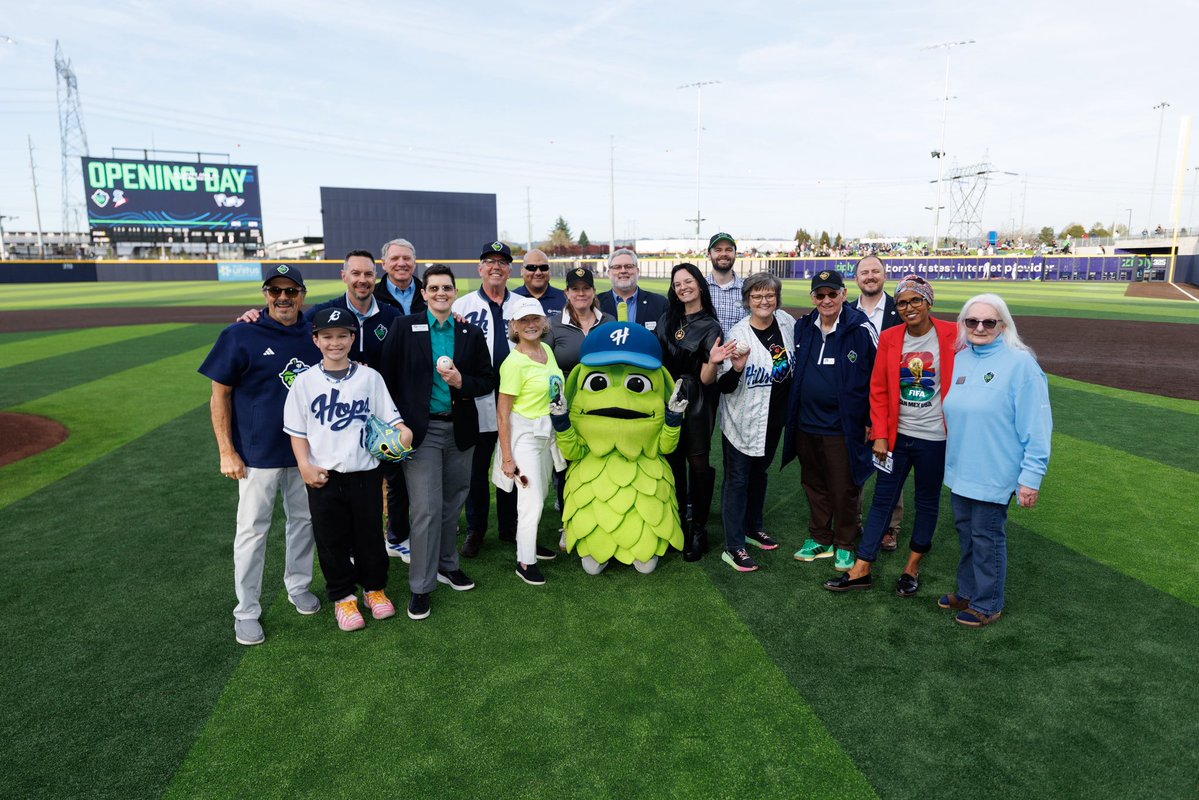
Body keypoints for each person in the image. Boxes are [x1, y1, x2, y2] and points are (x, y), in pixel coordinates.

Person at [198, 264, 321, 646]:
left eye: (291, 291)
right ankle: (246, 610)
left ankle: (298, 585)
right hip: (256, 455)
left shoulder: (315, 332)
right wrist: (226, 451)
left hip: (306, 452)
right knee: (252, 532)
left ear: (302, 294)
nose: (283, 298)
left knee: (303, 523)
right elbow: (220, 395)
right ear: (265, 294)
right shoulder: (241, 333)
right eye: (275, 291)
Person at [825, 275, 957, 595]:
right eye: (902, 302)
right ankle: (862, 567)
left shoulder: (954, 334)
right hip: (897, 437)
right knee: (883, 499)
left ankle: (912, 567)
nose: (909, 307)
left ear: (929, 301)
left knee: (926, 501)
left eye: (915, 300)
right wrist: (881, 434)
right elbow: (879, 389)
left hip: (936, 439)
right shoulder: (890, 337)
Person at [378, 264, 496, 621]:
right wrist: (398, 423)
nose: (440, 293)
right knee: (427, 508)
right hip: (421, 432)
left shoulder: (469, 332)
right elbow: (386, 377)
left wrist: (462, 381)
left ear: (455, 291)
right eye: (434, 288)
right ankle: (421, 586)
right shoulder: (405, 326)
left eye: (446, 287)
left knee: (452, 502)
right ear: (424, 293)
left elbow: (487, 380)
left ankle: (447, 565)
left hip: (460, 429)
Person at [284, 306, 412, 631]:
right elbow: (297, 432)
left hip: (366, 472)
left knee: (369, 535)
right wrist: (304, 466)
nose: (335, 343)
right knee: (331, 538)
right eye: (327, 336)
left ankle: (374, 590)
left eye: (342, 336)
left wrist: (404, 436)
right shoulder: (305, 382)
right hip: (324, 475)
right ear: (316, 340)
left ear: (353, 338)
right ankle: (343, 597)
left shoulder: (370, 378)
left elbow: (394, 421)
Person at [939, 293, 1052, 627]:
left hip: (995, 471)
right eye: (972, 321)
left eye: (989, 321)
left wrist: (1031, 477)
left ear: (1003, 325)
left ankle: (988, 603)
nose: (980, 327)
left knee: (986, 536)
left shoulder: (1020, 364)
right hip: (962, 470)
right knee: (966, 533)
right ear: (963, 324)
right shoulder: (962, 357)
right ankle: (969, 589)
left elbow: (1037, 425)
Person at [782, 269, 878, 572]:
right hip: (807, 423)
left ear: (843, 295)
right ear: (813, 297)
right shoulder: (804, 326)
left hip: (842, 427)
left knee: (844, 487)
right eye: (820, 295)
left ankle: (846, 544)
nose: (826, 300)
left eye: (832, 293)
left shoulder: (861, 328)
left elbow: (877, 378)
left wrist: (870, 420)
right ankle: (820, 537)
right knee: (813, 484)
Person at [657, 262, 736, 561]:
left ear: (700, 285)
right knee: (673, 461)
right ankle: (676, 523)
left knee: (698, 463)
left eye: (688, 281)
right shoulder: (667, 319)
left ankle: (699, 530)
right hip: (667, 396)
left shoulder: (711, 325)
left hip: (698, 400)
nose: (683, 287)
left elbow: (705, 379)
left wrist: (714, 360)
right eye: (677, 284)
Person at [715, 272, 795, 572]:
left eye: (769, 295)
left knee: (760, 474)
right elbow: (722, 386)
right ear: (747, 300)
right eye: (757, 296)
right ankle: (734, 546)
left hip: (773, 420)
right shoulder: (738, 335)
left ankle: (753, 527)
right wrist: (736, 368)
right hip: (743, 421)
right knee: (737, 481)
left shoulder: (786, 323)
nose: (764, 301)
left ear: (777, 298)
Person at [453, 241, 520, 557]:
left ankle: (510, 526)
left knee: (513, 463)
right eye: (489, 261)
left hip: (515, 401)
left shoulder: (522, 305)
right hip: (477, 400)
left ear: (510, 269)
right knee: (476, 470)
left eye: (503, 262)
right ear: (479, 268)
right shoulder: (462, 306)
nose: (496, 267)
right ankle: (476, 530)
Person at [494, 297, 565, 584]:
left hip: (547, 436)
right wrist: (508, 458)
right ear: (514, 326)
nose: (531, 325)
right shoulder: (514, 362)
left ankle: (530, 542)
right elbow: (503, 413)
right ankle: (525, 561)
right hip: (525, 438)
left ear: (544, 322)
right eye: (524, 321)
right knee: (531, 501)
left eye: (535, 319)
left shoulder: (547, 350)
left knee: (540, 494)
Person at [549, 267, 615, 537]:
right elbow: (546, 365)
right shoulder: (553, 324)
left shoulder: (609, 321)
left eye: (585, 288)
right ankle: (569, 523)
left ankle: (605, 516)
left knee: (601, 461)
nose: (581, 293)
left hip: (602, 407)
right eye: (575, 289)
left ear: (593, 291)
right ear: (567, 292)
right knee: (567, 465)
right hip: (569, 407)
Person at [853, 255, 905, 551]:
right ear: (856, 277)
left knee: (889, 467)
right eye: (864, 272)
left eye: (875, 271)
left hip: (893, 404)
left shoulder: (901, 311)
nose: (870, 276)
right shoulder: (846, 311)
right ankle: (854, 519)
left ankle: (890, 527)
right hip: (857, 404)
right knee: (855, 466)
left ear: (885, 275)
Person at [597, 249, 668, 329]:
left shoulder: (660, 303)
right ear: (609, 273)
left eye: (629, 266)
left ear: (637, 271)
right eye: (617, 267)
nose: (623, 271)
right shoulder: (595, 304)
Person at [706, 232, 747, 335]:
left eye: (728, 250)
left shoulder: (748, 289)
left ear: (735, 254)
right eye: (718, 250)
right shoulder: (699, 288)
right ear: (709, 254)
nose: (724, 254)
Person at [373, 238, 426, 315]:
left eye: (406, 258)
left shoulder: (429, 293)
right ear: (384, 264)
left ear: (414, 263)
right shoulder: (372, 296)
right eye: (394, 259)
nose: (401, 264)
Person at [513, 248, 567, 318]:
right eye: (532, 268)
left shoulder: (565, 299)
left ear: (549, 271)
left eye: (543, 267)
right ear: (522, 271)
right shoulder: (511, 299)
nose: (538, 273)